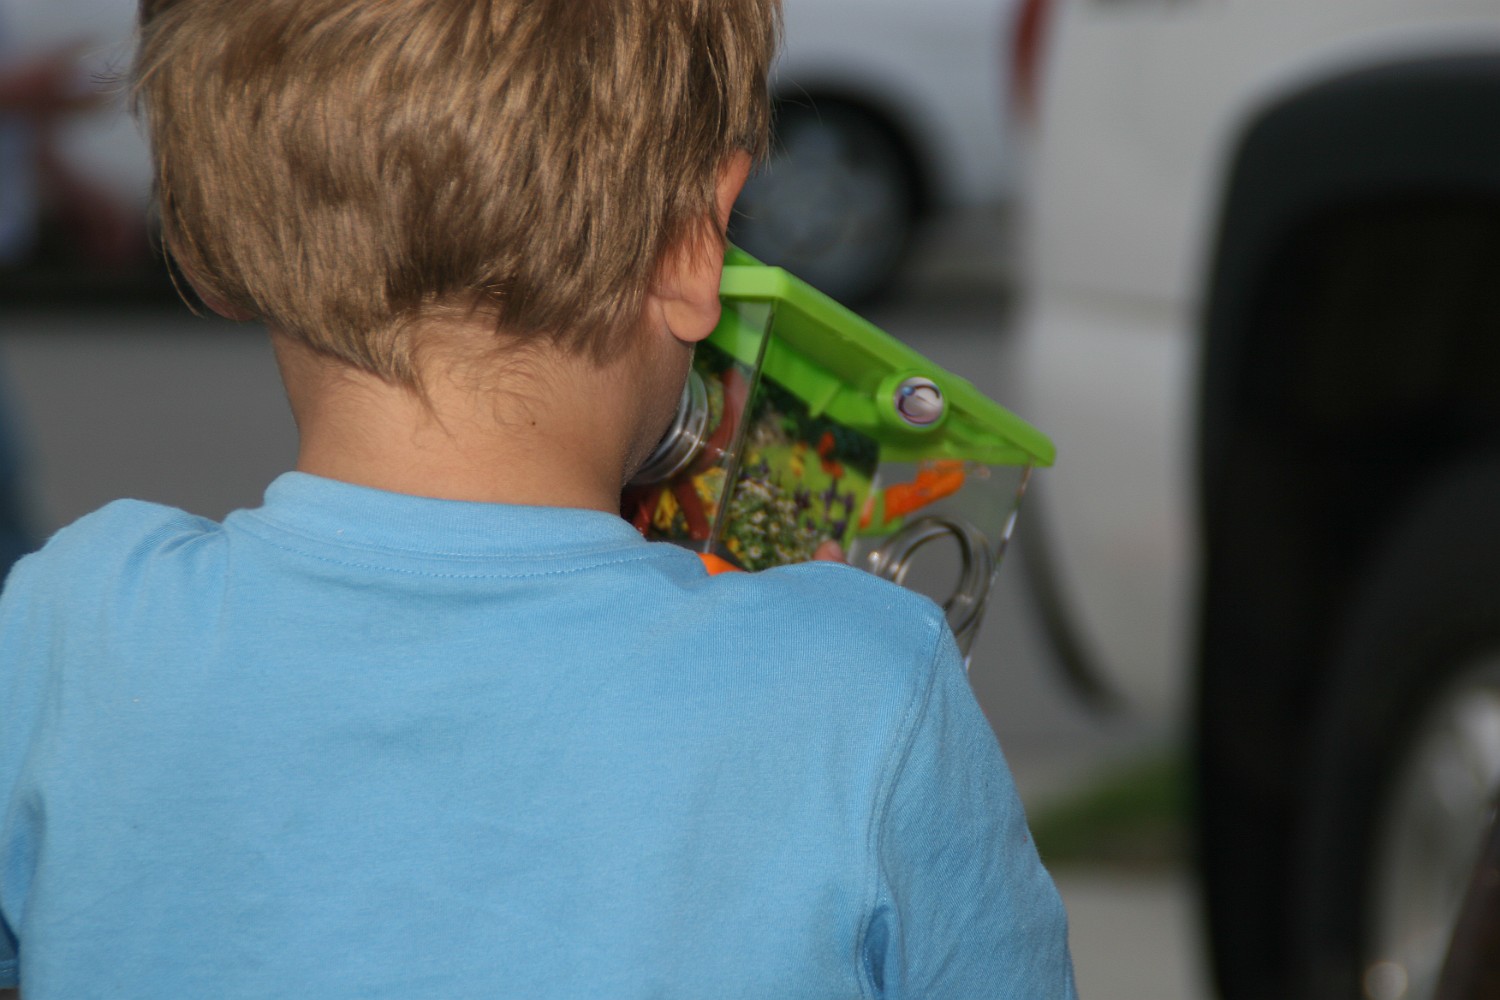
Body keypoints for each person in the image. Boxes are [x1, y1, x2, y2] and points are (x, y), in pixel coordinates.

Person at [0, 1, 1078, 997]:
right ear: (695, 245)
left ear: (201, 237)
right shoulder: (865, 686)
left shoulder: (72, 628)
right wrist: (809, 636)